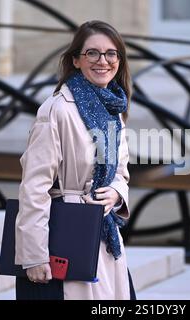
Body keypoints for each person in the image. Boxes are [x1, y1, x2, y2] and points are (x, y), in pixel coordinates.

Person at [14, 20, 135, 300]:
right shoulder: (56, 110)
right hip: (66, 236)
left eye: (111, 53)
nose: (102, 61)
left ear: (119, 60)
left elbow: (121, 172)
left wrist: (116, 193)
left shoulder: (114, 108)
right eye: (92, 53)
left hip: (104, 236)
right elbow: (34, 186)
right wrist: (34, 255)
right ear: (76, 61)